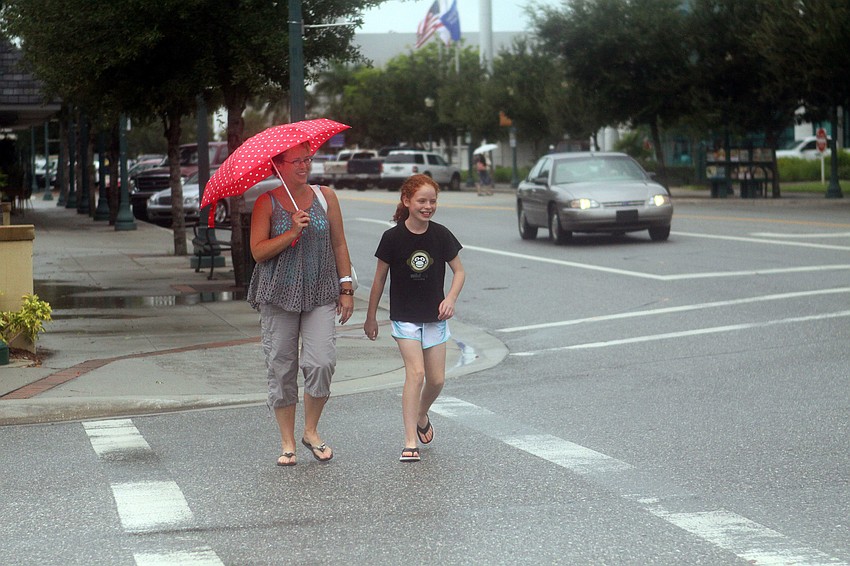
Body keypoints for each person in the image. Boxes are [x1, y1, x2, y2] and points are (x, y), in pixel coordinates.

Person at [247, 142, 355, 467]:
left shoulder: (325, 197)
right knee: (282, 368)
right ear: (278, 165)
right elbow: (258, 252)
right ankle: (287, 442)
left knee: (321, 362)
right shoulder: (266, 203)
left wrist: (346, 286)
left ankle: (311, 430)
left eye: (307, 159)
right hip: (278, 294)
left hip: (321, 292)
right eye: (296, 160)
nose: (304, 166)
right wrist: (291, 231)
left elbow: (339, 242)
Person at [363, 174, 466, 462]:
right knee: (416, 373)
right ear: (407, 201)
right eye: (422, 201)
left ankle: (422, 413)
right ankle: (410, 440)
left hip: (434, 316)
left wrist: (450, 299)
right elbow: (378, 281)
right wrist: (371, 317)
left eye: (432, 201)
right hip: (405, 317)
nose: (428, 206)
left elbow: (459, 271)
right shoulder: (392, 238)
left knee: (436, 380)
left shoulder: (441, 234)